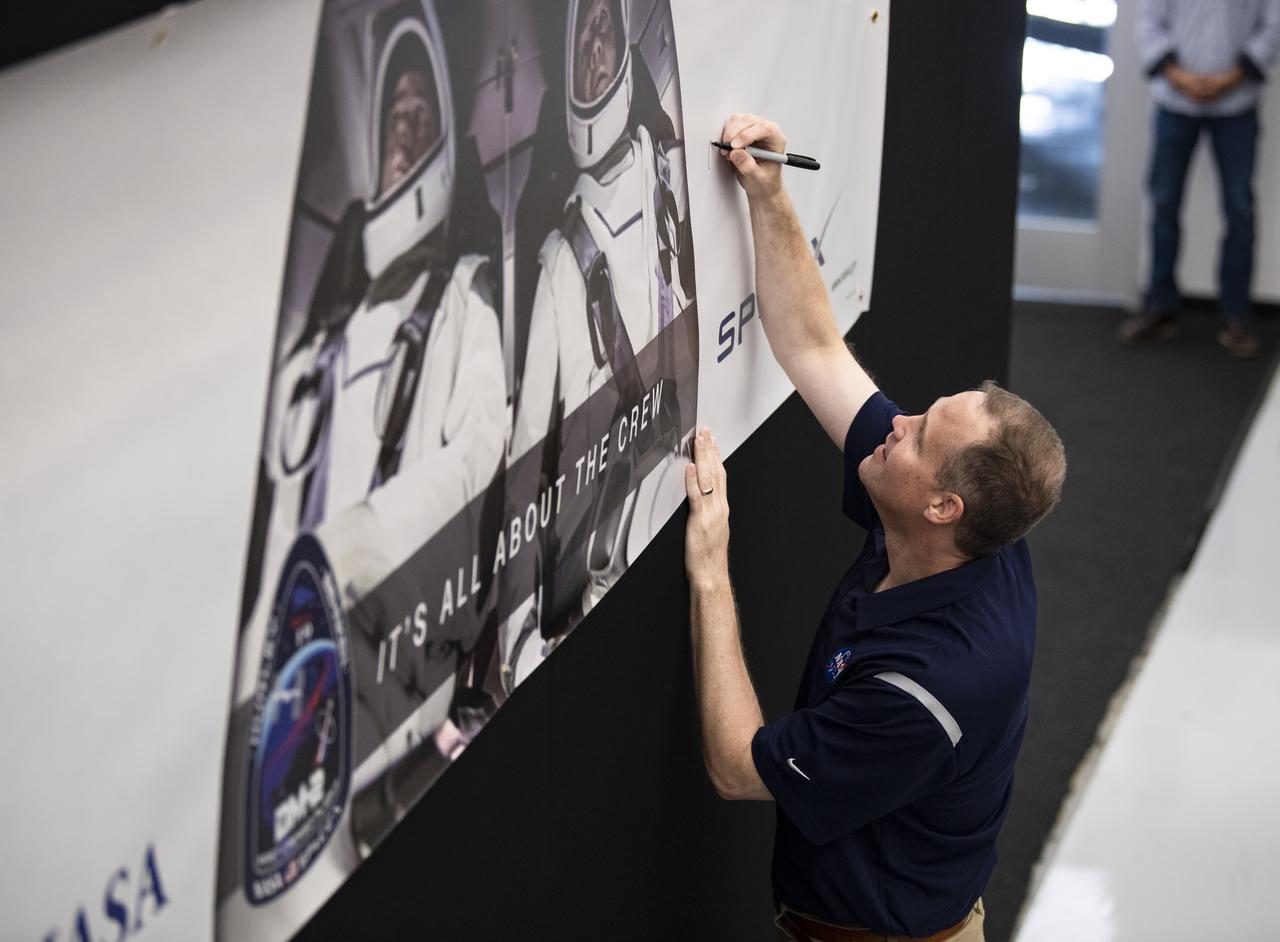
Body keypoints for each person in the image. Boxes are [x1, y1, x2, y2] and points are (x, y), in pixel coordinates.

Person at [683, 115, 1067, 941]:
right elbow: (817, 348)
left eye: (924, 434)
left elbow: (736, 765)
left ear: (943, 507)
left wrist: (712, 571)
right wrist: (770, 194)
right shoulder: (974, 535)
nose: (901, 420)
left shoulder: (928, 690)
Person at [501, 0, 694, 685]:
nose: (594, 52)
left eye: (604, 32)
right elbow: (526, 471)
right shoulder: (561, 260)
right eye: (581, 41)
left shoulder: (673, 173)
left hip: (689, 494)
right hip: (604, 571)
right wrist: (519, 635)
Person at [1120, 0, 1280, 358]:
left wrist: (1234, 75)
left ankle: (1236, 315)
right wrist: (1176, 74)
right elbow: (1148, 18)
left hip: (1238, 103)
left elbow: (1273, 22)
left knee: (1239, 209)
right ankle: (1160, 307)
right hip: (1175, 101)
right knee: (1164, 203)